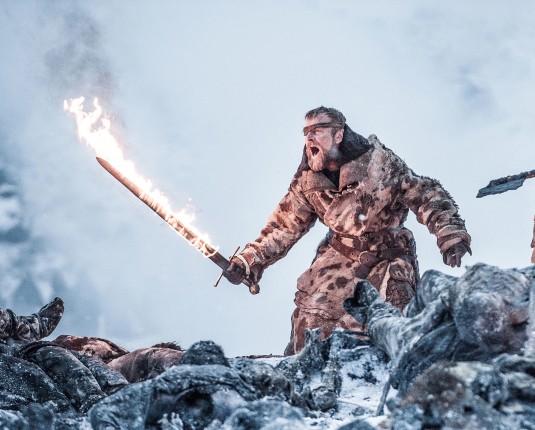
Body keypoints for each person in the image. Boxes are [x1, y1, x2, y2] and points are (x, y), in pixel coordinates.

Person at [224, 107, 471, 355]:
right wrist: (249, 260)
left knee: (385, 330)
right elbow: (284, 225)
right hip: (338, 258)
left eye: (317, 130)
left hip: (386, 257)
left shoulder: (379, 163)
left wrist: (449, 233)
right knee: (309, 324)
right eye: (306, 132)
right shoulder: (307, 180)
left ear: (339, 135)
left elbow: (425, 193)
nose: (310, 137)